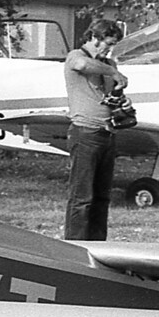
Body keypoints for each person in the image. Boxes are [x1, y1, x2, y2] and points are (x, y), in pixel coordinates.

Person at [63, 19, 128, 241]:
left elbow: (111, 96)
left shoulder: (108, 64)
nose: (108, 49)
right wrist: (111, 70)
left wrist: (123, 103)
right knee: (82, 197)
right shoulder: (76, 56)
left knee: (102, 197)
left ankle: (99, 243)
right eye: (106, 43)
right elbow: (82, 65)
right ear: (93, 37)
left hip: (107, 132)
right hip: (85, 133)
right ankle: (75, 244)